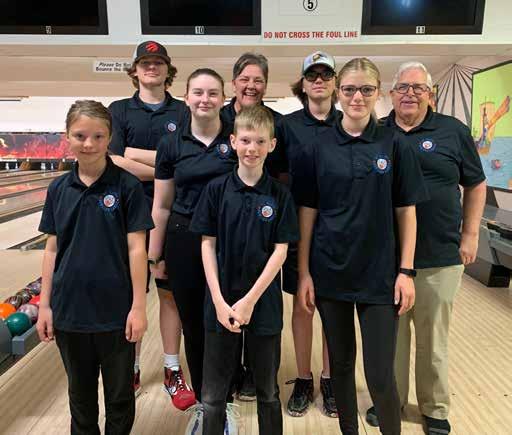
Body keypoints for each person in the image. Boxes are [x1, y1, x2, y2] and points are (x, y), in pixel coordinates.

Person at [295, 58, 427, 435]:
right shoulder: (317, 146)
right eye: (350, 89)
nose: (357, 97)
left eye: (366, 90)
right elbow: (307, 213)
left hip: (380, 276)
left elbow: (407, 212)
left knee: (380, 374)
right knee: (339, 367)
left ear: (378, 93)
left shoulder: (395, 143)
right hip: (330, 272)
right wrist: (304, 273)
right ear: (338, 92)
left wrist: (406, 271)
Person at [365, 62, 486, 435]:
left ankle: (434, 408)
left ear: (430, 94)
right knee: (392, 341)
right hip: (387, 260)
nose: (410, 94)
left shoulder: (453, 131)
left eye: (418, 88)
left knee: (433, 340)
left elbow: (476, 183)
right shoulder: (376, 133)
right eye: (403, 87)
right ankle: (392, 401)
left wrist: (470, 235)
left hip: (440, 256)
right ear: (390, 94)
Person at [36, 100, 153, 434]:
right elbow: (52, 249)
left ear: (109, 138)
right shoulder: (58, 189)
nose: (89, 144)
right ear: (67, 137)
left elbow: (137, 249)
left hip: (116, 312)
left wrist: (139, 307)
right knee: (80, 397)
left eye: (98, 136)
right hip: (69, 311)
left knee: (120, 397)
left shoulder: (127, 186)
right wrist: (45, 305)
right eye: (80, 135)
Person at [190, 105, 299, 435]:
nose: (252, 148)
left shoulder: (279, 195)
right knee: (213, 396)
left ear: (272, 145)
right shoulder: (216, 190)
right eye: (246, 140)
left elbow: (281, 251)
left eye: (260, 142)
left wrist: (250, 301)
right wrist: (218, 301)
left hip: (263, 304)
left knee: (268, 392)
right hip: (220, 303)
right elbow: (207, 245)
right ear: (233, 141)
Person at [149, 68, 238, 433]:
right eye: (198, 92)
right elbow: (161, 205)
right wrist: (155, 255)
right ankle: (205, 405)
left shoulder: (235, 137)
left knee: (228, 324)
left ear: (223, 98)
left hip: (229, 241)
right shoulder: (171, 144)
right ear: (186, 97)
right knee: (194, 327)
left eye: (213, 93)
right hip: (183, 239)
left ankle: (225, 404)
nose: (205, 99)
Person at [108, 40, 191, 406]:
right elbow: (113, 161)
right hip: (127, 217)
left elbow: (186, 159)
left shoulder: (183, 110)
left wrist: (134, 154)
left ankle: (172, 368)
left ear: (168, 69)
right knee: (131, 295)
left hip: (172, 216)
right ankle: (132, 367)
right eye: (145, 62)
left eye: (158, 62)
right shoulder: (119, 110)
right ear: (135, 70)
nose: (151, 67)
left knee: (169, 292)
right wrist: (164, 165)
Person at [277, 51, 339, 418]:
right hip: (297, 228)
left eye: (325, 74)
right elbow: (277, 177)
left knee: (331, 307)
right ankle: (303, 378)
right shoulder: (286, 127)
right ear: (302, 83)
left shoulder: (349, 123)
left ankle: (330, 379)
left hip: (338, 231)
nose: (318, 80)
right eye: (312, 75)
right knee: (303, 305)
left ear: (334, 82)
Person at [221, 51, 285, 401]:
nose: (251, 85)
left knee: (261, 313)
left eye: (258, 79)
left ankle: (256, 376)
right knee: (226, 310)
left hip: (265, 219)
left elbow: (284, 172)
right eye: (244, 78)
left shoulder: (277, 123)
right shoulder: (218, 119)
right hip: (225, 220)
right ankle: (228, 375)